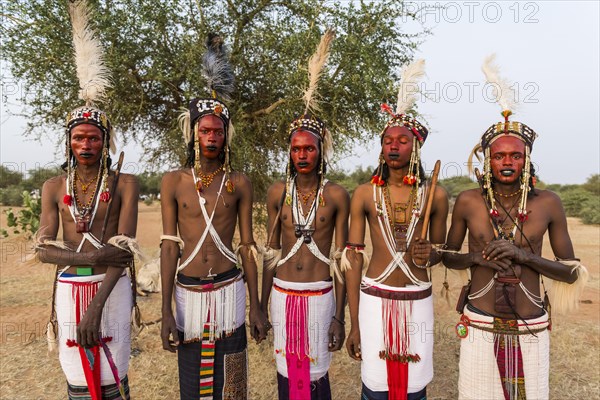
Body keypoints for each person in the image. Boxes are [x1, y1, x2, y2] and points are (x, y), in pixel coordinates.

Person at [442, 54, 588, 400]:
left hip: (531, 326)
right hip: (478, 322)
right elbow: (448, 257)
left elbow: (571, 273)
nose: (507, 162)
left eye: (515, 156)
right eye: (499, 156)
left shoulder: (548, 203)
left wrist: (523, 255)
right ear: (488, 160)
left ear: (527, 161)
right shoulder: (467, 201)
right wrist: (476, 259)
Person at [36, 1, 139, 399]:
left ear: (105, 142)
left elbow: (124, 250)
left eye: (93, 137)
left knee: (113, 376)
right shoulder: (51, 186)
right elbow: (44, 251)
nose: (86, 144)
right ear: (69, 142)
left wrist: (96, 304)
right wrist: (93, 258)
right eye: (78, 138)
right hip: (68, 287)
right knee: (78, 378)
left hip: (111, 291)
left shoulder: (124, 183)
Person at [160, 34, 268, 400]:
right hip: (187, 293)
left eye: (218, 132)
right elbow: (169, 246)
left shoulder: (238, 182)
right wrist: (164, 311)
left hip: (230, 289)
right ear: (194, 134)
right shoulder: (174, 182)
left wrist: (256, 305)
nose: (212, 137)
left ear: (226, 137)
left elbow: (248, 247)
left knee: (232, 383)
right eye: (205, 130)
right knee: (192, 385)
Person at [343, 59, 448, 400]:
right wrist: (354, 323)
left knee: (415, 387)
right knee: (375, 386)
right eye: (387, 139)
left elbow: (442, 251)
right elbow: (353, 260)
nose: (393, 146)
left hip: (418, 299)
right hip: (374, 297)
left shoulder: (436, 196)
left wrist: (432, 252)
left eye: (402, 140)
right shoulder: (364, 193)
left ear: (415, 147)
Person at [260, 29, 349, 400]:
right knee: (286, 376)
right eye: (296, 148)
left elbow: (343, 260)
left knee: (315, 377)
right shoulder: (278, 193)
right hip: (283, 294)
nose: (302, 155)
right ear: (289, 152)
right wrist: (260, 306)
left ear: (319, 152)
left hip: (320, 295)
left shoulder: (336, 194)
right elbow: (269, 253)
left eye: (309, 149)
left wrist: (339, 316)